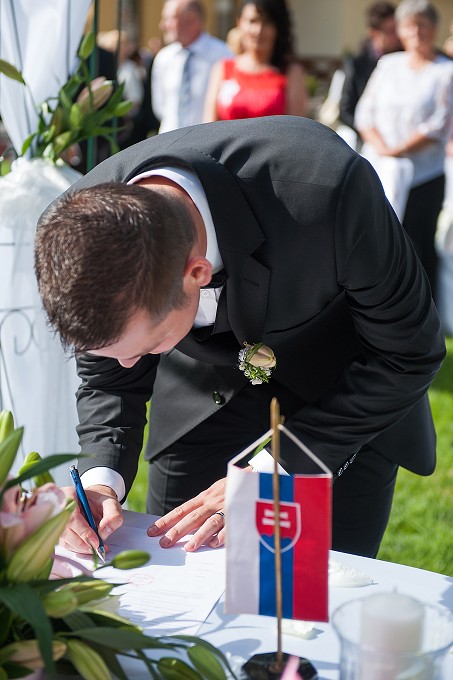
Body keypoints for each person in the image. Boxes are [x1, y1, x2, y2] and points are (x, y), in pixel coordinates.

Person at [35, 116, 445, 562]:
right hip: (198, 398)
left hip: (343, 397)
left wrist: (275, 471)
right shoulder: (76, 230)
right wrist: (99, 479)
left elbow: (408, 352)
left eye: (148, 346)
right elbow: (109, 374)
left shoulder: (328, 191)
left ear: (196, 273)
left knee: (312, 594)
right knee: (179, 577)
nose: (129, 365)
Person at [354, 0, 453, 300]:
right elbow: (364, 112)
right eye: (410, 25)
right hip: (381, 170)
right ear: (400, 29)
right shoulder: (388, 65)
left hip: (424, 175)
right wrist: (382, 147)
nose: (416, 31)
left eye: (423, 24)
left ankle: (424, 311)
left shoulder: (445, 71)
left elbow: (438, 123)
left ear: (434, 28)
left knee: (418, 245)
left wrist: (398, 149)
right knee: (381, 242)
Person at [203, 0, 307, 122]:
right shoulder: (223, 69)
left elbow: (295, 128)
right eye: (252, 21)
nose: (258, 30)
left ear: (278, 27)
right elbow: (209, 125)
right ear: (239, 23)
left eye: (267, 23)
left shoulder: (290, 72)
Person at [151, 0, 232, 133]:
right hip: (168, 140)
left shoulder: (223, 56)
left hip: (207, 141)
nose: (162, 25)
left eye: (169, 18)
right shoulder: (164, 58)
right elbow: (160, 107)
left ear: (191, 18)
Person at [339, 2, 401, 134]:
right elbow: (345, 110)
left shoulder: (405, 58)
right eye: (390, 31)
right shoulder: (356, 65)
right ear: (373, 33)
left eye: (398, 28)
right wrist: (368, 134)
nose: (397, 35)